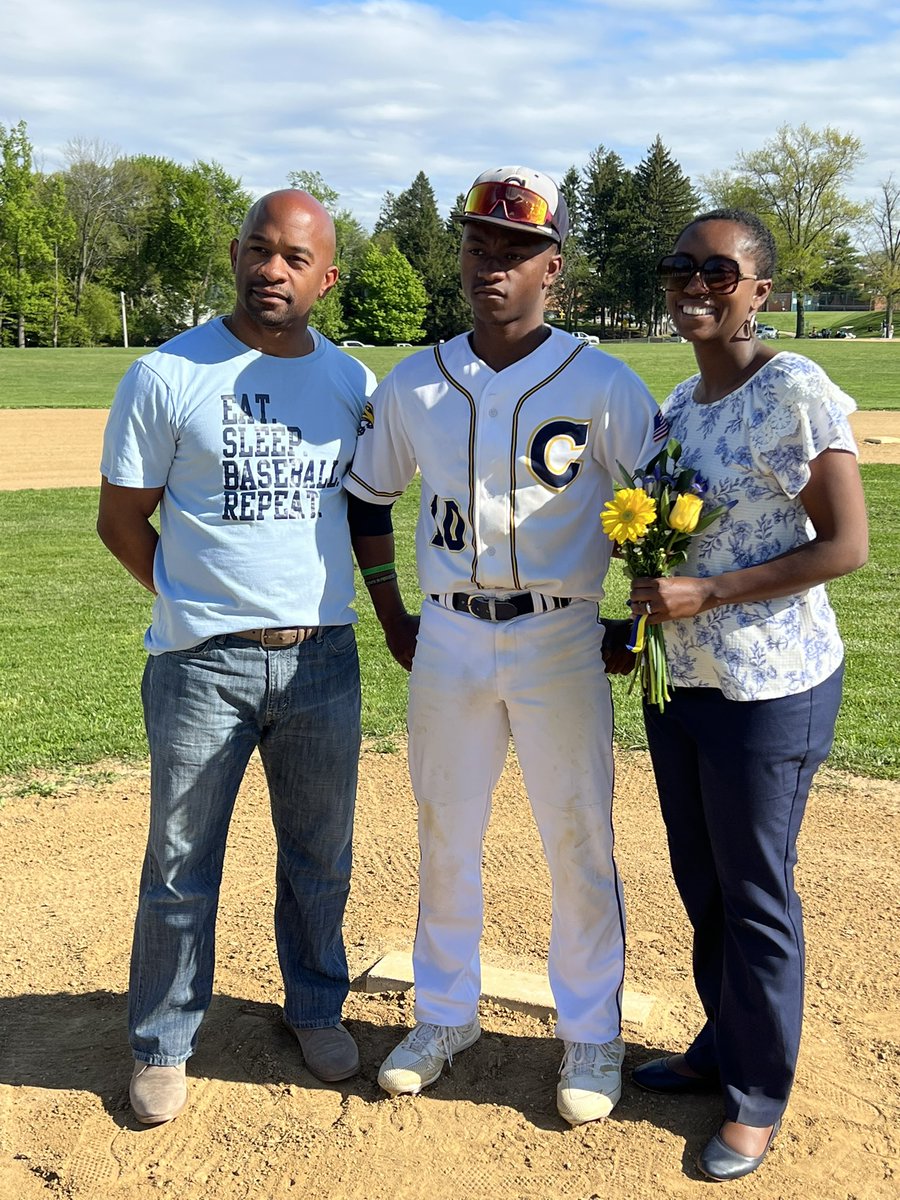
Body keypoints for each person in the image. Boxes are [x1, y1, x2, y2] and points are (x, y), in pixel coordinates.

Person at [344, 165, 668, 1124]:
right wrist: (392, 613)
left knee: (579, 838)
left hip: (560, 635)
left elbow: (665, 515)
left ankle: (591, 1033)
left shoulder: (603, 380)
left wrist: (637, 620)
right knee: (446, 830)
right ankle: (446, 1015)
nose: (494, 263)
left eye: (516, 249)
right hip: (446, 635)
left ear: (552, 267)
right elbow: (368, 495)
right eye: (480, 245)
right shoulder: (417, 380)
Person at [97, 189, 382, 1124]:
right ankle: (164, 1040)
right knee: (180, 862)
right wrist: (194, 602)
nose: (274, 270)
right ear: (235, 255)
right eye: (260, 251)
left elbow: (370, 510)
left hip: (321, 663)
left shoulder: (351, 383)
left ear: (326, 278)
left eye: (296, 259)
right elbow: (120, 520)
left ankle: (314, 1007)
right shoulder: (167, 374)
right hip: (199, 666)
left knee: (320, 855)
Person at [628, 209, 868, 1181]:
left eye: (719, 271)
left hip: (768, 690)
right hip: (682, 684)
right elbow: (673, 541)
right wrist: (641, 618)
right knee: (707, 887)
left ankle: (759, 1095)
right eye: (680, 266)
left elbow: (845, 546)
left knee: (757, 896)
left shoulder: (795, 391)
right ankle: (722, 1047)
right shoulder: (682, 405)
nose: (696, 282)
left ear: (758, 290)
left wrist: (711, 592)